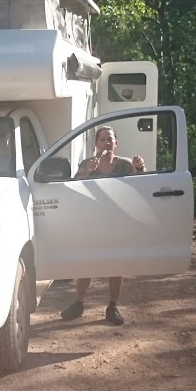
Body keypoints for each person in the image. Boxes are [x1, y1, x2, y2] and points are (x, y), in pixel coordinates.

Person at [59, 126, 145, 326]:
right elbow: (73, 184)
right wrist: (86, 170)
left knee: (115, 265)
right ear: (96, 144)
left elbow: (142, 182)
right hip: (92, 221)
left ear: (116, 143)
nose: (106, 143)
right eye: (102, 139)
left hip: (117, 222)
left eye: (110, 139)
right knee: (87, 263)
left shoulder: (123, 164)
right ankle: (78, 304)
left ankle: (112, 307)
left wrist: (140, 167)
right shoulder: (88, 163)